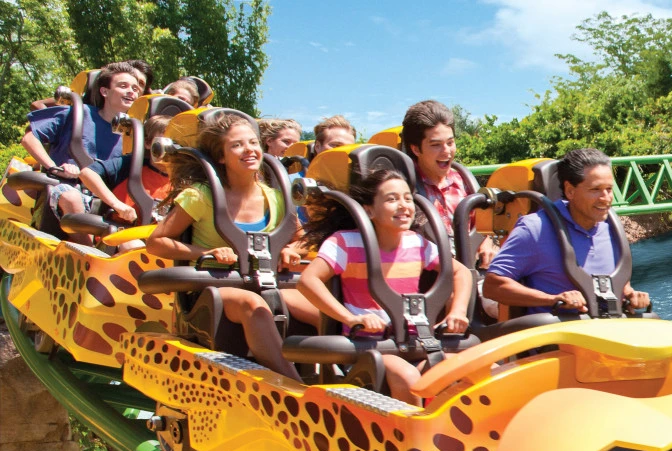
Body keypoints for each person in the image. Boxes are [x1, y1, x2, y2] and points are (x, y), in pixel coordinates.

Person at [146, 111, 309, 379]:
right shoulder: (201, 195)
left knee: (317, 307)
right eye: (237, 145)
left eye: (253, 142)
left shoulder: (276, 198)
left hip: (266, 284)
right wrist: (206, 253)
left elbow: (302, 239)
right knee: (253, 305)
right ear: (221, 156)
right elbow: (156, 242)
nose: (249, 149)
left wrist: (291, 250)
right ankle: (294, 385)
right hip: (214, 290)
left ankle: (350, 379)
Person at [297, 168, 472, 403]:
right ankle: (411, 427)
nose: (403, 206)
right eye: (392, 199)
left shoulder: (417, 243)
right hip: (368, 349)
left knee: (464, 368)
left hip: (414, 344)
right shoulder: (346, 242)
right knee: (407, 376)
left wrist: (457, 311)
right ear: (369, 210)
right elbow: (308, 281)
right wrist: (351, 318)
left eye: (407, 199)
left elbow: (460, 272)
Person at [484, 148, 650, 314]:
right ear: (570, 191)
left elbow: (615, 282)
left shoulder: (612, 228)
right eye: (595, 190)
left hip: (606, 324)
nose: (606, 198)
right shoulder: (535, 229)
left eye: (609, 189)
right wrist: (552, 299)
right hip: (558, 327)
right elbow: (492, 286)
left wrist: (630, 294)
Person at [400, 100, 496, 268]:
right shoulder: (404, 187)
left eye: (450, 143)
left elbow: (482, 229)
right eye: (436, 145)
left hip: (471, 269)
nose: (446, 151)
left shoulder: (464, 181)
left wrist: (486, 243)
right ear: (416, 149)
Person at [22, 61, 141, 183]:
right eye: (123, 86)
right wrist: (53, 168)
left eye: (135, 89)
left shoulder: (134, 135)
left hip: (101, 192)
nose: (131, 91)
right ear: (105, 91)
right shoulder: (77, 113)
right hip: (64, 186)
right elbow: (29, 138)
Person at [77, 114, 173, 251]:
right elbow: (87, 173)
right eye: (166, 141)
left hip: (160, 243)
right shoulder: (132, 165)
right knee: (134, 245)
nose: (171, 147)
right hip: (120, 238)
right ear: (148, 143)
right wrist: (117, 204)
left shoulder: (184, 179)